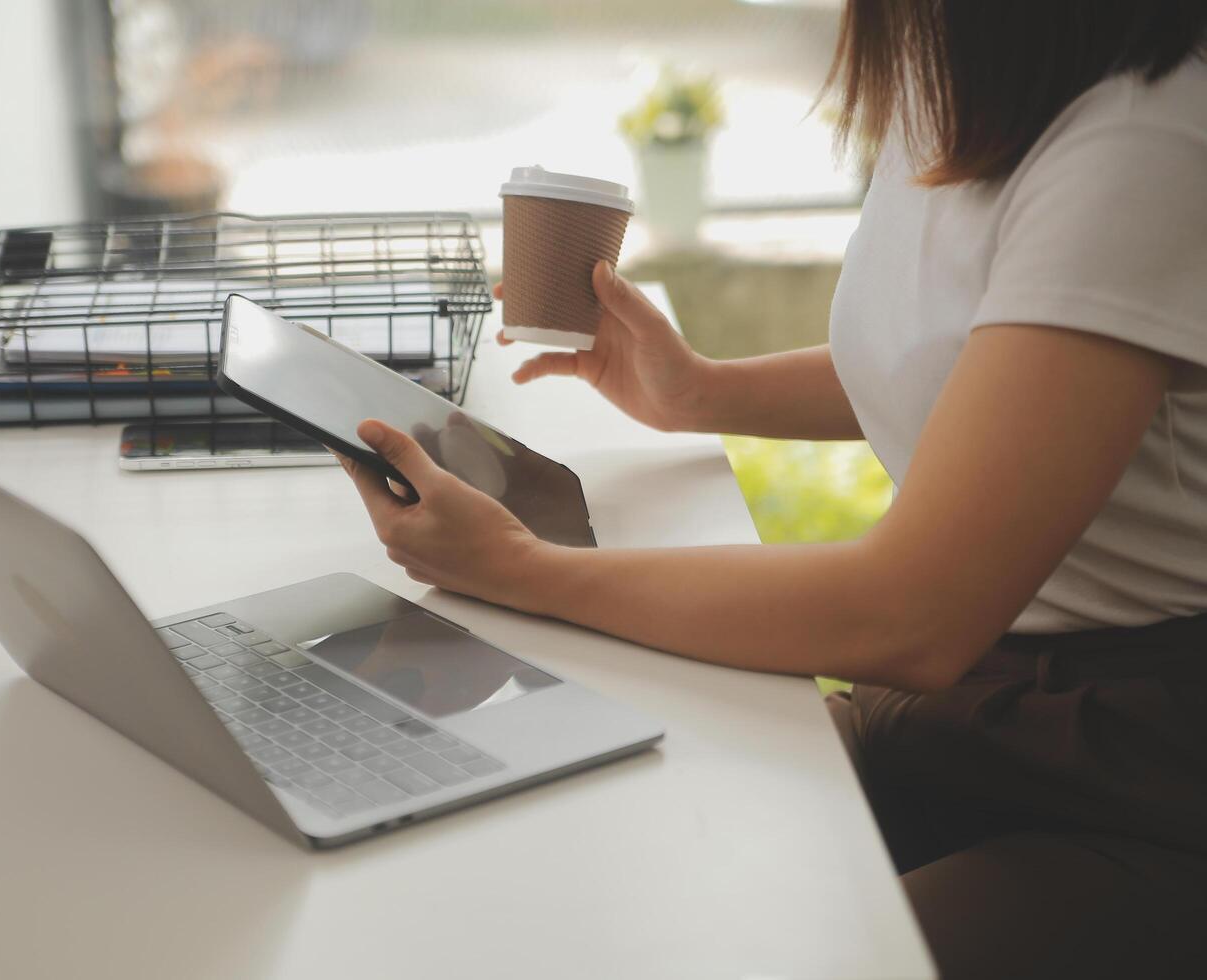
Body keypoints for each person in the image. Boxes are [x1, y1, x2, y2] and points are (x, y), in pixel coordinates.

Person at [337, 3, 1207, 976]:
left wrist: (518, 568)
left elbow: (914, 610)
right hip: (962, 708)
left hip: (1138, 768)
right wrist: (701, 391)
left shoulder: (1147, 137)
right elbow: (988, 372)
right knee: (590, 847)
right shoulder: (960, 82)